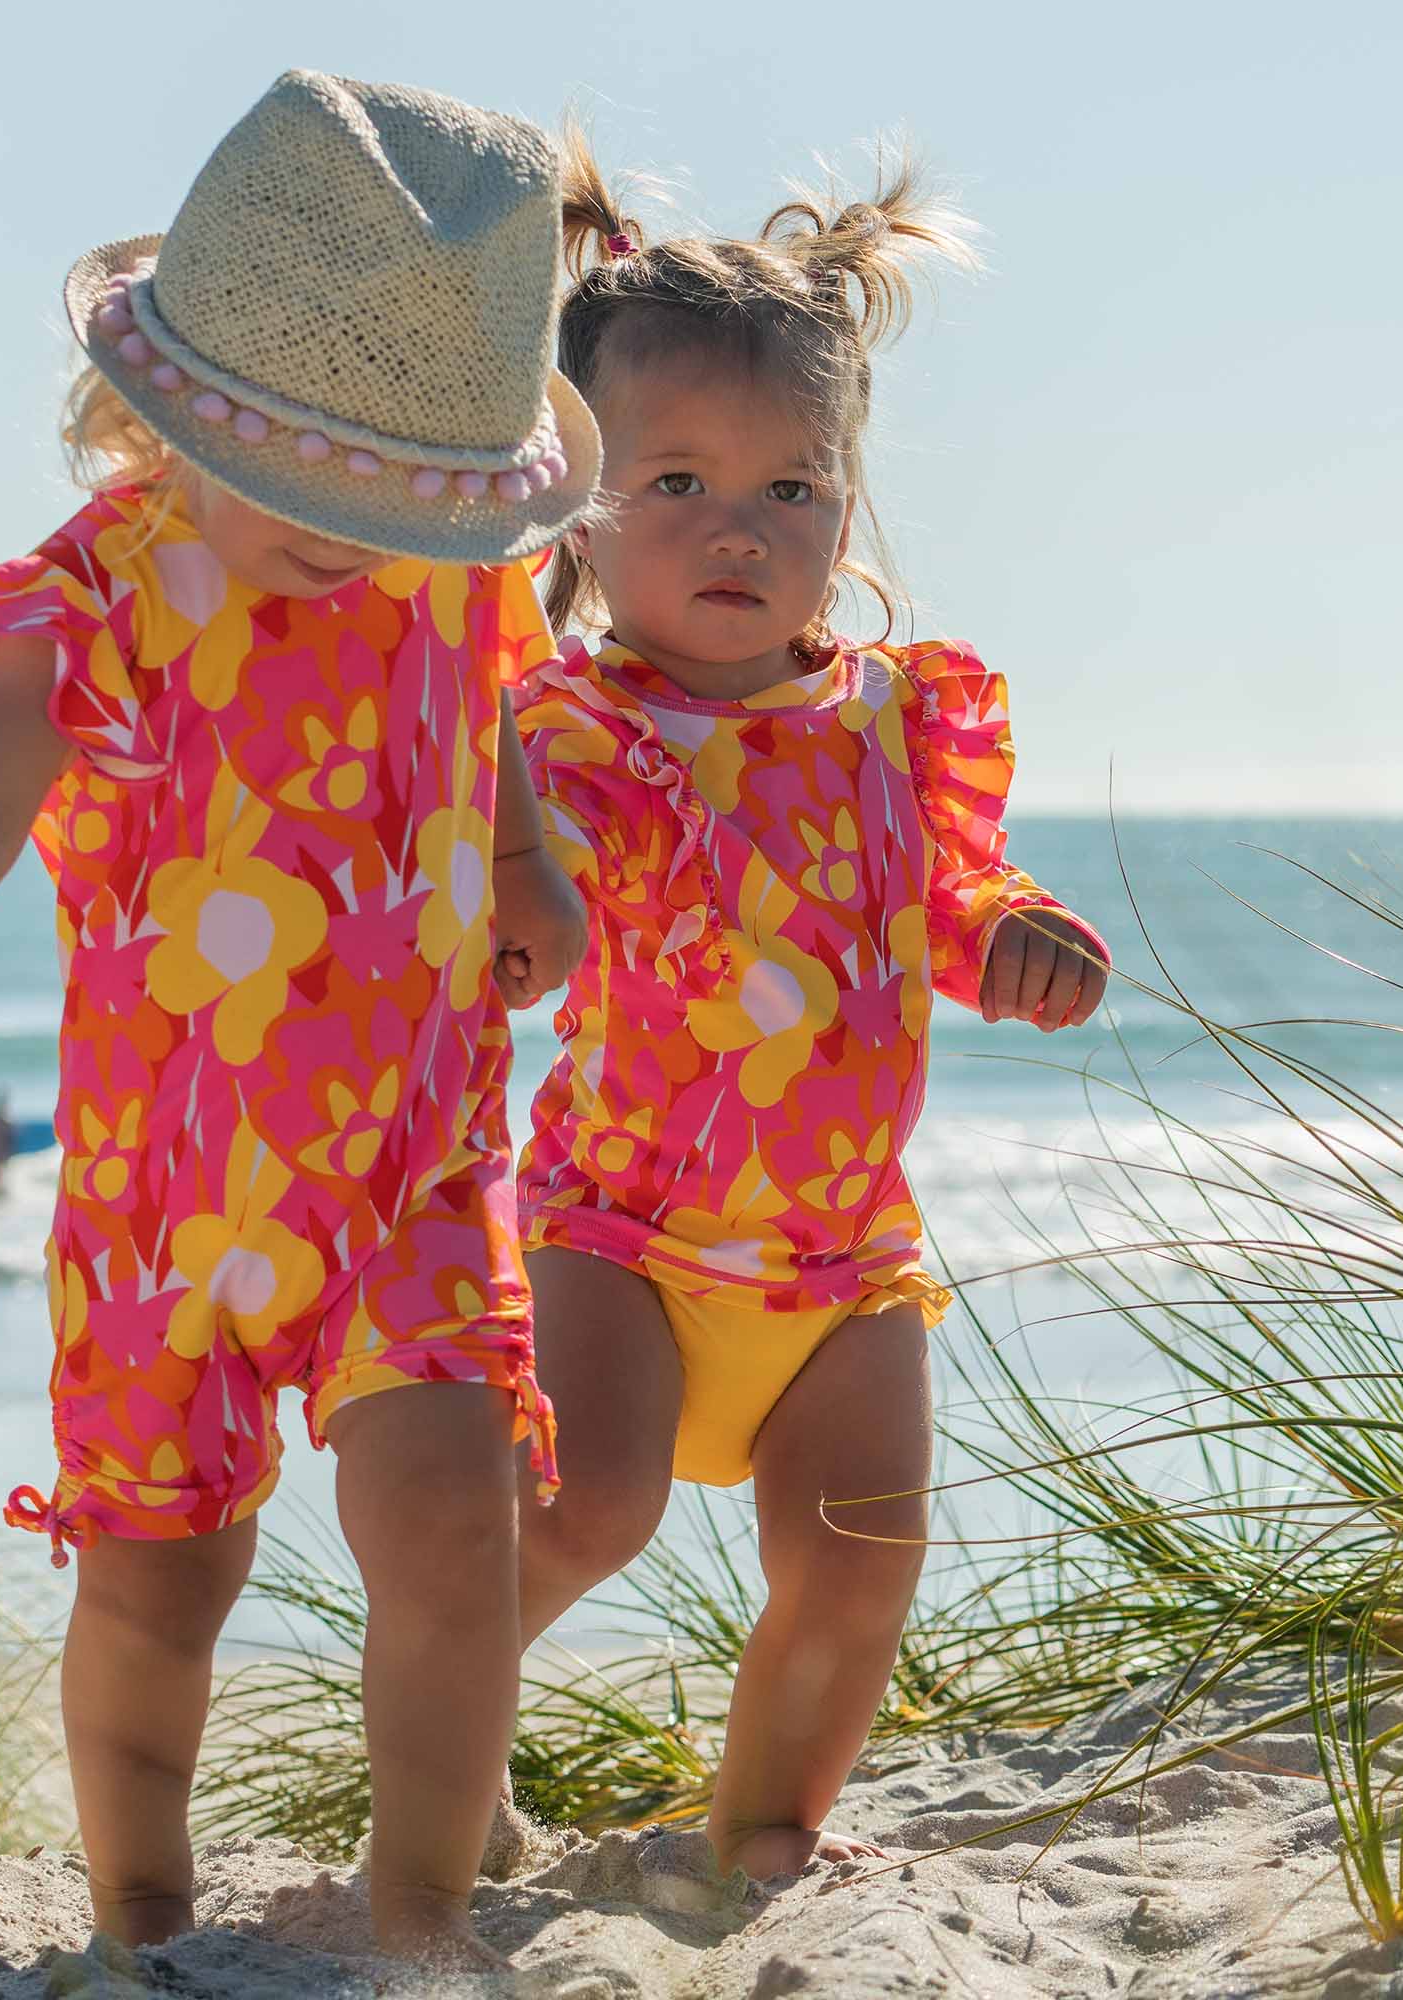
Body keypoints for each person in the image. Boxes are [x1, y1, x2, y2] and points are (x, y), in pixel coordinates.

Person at [0, 71, 597, 1971]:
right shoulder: (100, 590)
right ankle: (142, 1913)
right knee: (158, 1579)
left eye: (399, 486)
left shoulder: (452, 579)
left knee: (445, 1513)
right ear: (173, 415)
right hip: (166, 1198)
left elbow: (488, 749)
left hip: (413, 1162)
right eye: (309, 477)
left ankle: (420, 1916)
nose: (354, 529)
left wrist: (524, 872)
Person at [510, 136, 1110, 1884]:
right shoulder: (564, 735)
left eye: (790, 489)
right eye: (675, 479)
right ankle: (451, 1742)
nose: (736, 529)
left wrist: (1014, 932)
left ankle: (760, 1839)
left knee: (860, 1563)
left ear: (845, 504)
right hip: (618, 1231)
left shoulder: (898, 724)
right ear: (576, 500)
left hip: (843, 1260)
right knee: (581, 1513)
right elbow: (518, 897)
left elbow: (948, 893)